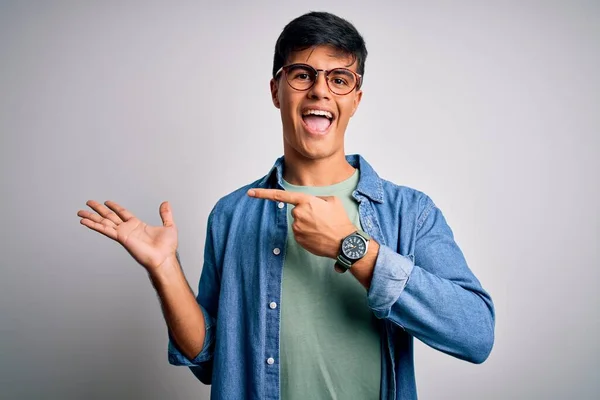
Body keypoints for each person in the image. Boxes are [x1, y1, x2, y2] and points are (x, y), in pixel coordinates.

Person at [77, 11, 495, 400]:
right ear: (276, 91)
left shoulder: (409, 212)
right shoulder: (231, 214)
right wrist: (164, 268)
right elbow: (207, 358)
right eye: (302, 74)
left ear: (356, 99)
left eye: (339, 79)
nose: (319, 89)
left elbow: (476, 334)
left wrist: (353, 246)